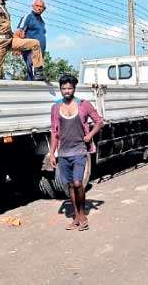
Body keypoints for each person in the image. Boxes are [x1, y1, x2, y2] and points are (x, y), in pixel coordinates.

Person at [49, 74, 103, 230]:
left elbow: (99, 121)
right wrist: (52, 153)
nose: (67, 91)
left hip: (80, 150)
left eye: (69, 88)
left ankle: (82, 214)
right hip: (64, 152)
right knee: (71, 186)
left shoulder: (83, 105)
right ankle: (76, 217)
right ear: (60, 89)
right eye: (64, 88)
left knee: (79, 183)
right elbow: (54, 131)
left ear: (74, 89)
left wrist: (89, 135)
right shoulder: (55, 107)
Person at [16, 0, 47, 81]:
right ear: (33, 6)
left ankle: (33, 91)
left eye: (41, 7)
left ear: (44, 9)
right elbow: (20, 31)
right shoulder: (28, 16)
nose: (39, 8)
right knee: (34, 70)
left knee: (36, 73)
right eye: (37, 6)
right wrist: (17, 48)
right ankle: (33, 90)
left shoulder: (42, 21)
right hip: (30, 50)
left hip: (40, 52)